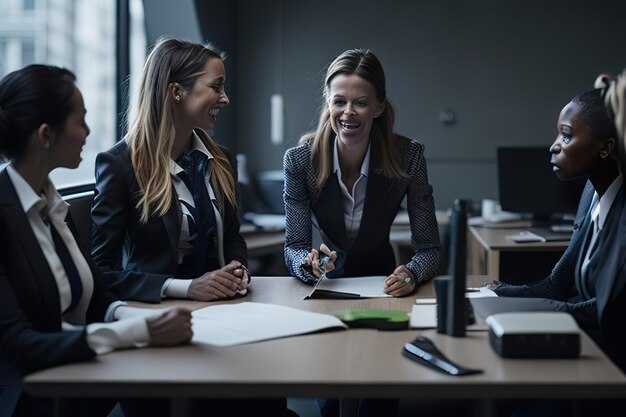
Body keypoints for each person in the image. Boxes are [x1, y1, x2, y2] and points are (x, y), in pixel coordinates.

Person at [0, 64, 192, 417]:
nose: (89, 132)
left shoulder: (54, 207)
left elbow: (98, 300)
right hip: (29, 398)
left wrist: (139, 319)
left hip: (80, 379)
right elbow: (18, 345)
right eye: (81, 121)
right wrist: (136, 333)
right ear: (46, 135)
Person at [490, 87, 625, 417]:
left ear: (606, 147)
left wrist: (518, 311)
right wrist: (493, 296)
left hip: (611, 366)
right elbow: (556, 285)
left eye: (566, 137)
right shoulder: (591, 194)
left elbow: (607, 313)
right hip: (584, 348)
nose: (553, 146)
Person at [91, 37, 250, 304]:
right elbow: (102, 271)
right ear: (176, 92)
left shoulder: (222, 159)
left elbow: (232, 238)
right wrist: (185, 288)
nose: (225, 99)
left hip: (226, 306)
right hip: (159, 310)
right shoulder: (119, 165)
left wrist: (238, 270)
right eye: (216, 87)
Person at [283, 48, 442, 297]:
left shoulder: (408, 157)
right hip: (328, 285)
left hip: (384, 285)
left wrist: (411, 274)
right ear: (328, 101)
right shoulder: (300, 161)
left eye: (360, 103)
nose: (348, 112)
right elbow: (294, 247)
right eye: (339, 101)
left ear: (378, 107)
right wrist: (307, 263)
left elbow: (430, 249)